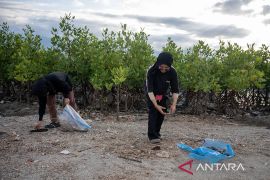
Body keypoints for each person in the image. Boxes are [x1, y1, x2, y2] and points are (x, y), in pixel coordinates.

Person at [145, 52, 179, 144]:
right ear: (158, 63)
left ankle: (157, 132)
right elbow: (150, 90)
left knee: (162, 113)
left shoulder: (172, 72)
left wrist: (174, 104)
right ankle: (152, 136)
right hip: (151, 93)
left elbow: (175, 90)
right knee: (153, 112)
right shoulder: (151, 70)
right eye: (161, 67)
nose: (163, 69)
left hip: (162, 93)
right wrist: (156, 105)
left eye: (166, 68)